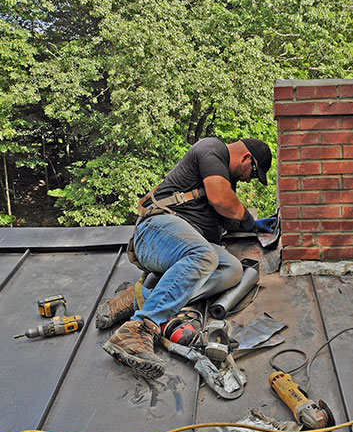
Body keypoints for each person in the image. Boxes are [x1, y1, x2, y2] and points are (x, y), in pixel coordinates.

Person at [99, 137, 275, 379]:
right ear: (247, 159)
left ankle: (140, 298)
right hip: (155, 232)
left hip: (187, 249)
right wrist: (247, 216)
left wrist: (254, 225)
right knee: (204, 255)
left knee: (233, 270)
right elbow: (222, 200)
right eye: (252, 174)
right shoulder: (212, 149)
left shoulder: (224, 180)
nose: (248, 180)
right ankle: (138, 328)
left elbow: (229, 217)